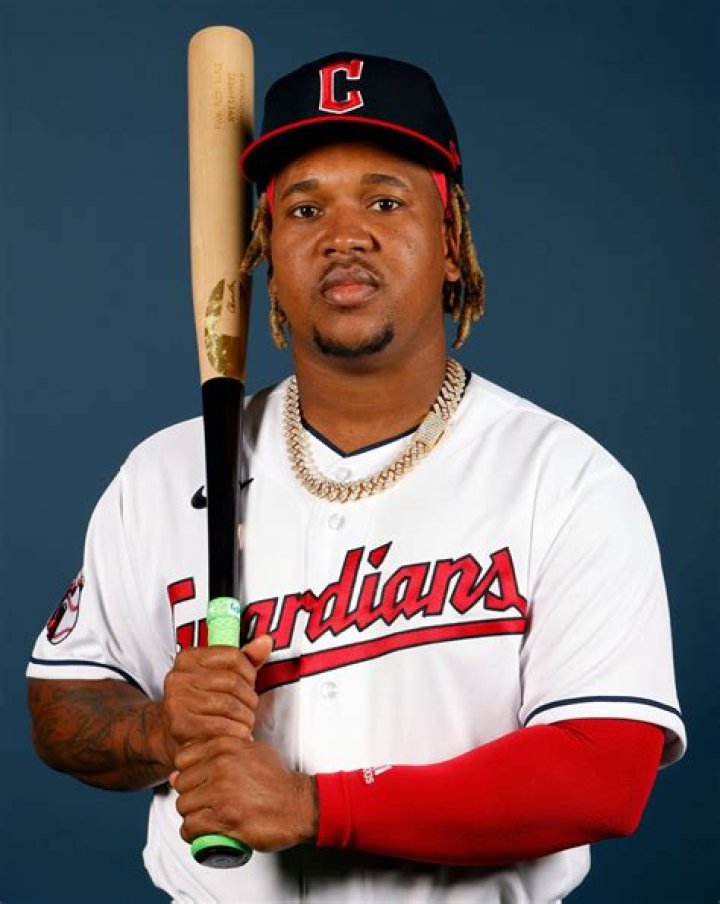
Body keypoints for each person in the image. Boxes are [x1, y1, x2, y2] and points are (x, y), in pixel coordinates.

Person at [27, 52, 685, 903]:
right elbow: (63, 702)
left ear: (451, 246)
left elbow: (602, 772)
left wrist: (315, 807)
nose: (344, 235)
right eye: (306, 209)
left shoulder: (565, 480)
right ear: (267, 257)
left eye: (385, 201)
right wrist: (162, 728)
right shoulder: (163, 473)